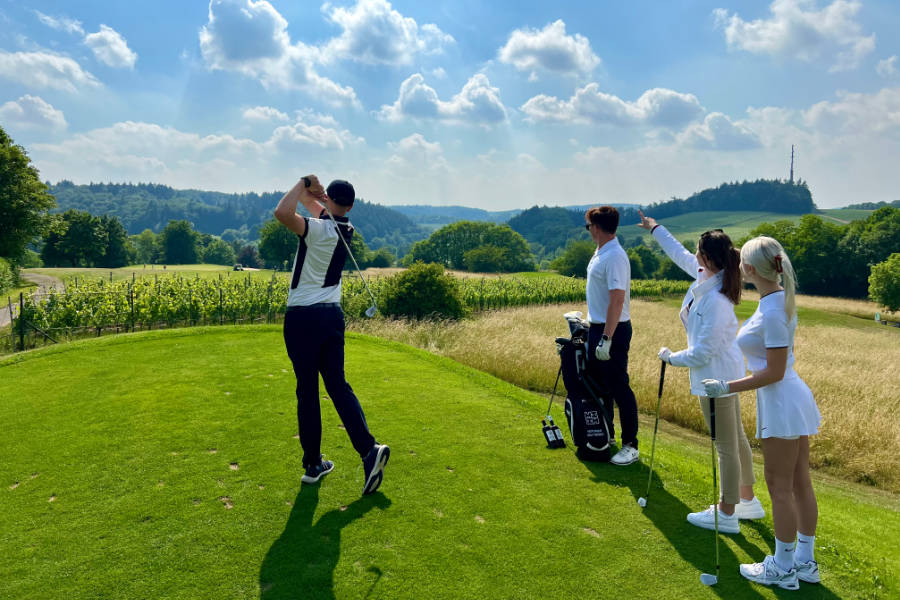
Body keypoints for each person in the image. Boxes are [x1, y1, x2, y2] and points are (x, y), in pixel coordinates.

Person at [703, 236, 822, 590]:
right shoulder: (773, 299)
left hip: (782, 399)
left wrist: (727, 386)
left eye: (743, 261)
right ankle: (804, 561)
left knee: (780, 486)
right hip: (788, 397)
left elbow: (774, 371)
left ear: (751, 269)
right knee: (798, 482)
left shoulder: (772, 311)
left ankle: (784, 566)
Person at [638, 211, 764, 535]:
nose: (693, 254)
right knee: (735, 437)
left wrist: (669, 357)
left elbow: (701, 353)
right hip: (723, 372)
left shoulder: (717, 301)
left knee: (725, 444)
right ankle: (747, 500)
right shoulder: (706, 276)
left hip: (717, 378)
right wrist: (656, 230)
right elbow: (678, 253)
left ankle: (727, 511)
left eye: (697, 250)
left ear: (707, 257)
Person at [274, 174, 390, 496]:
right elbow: (313, 208)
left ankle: (313, 463)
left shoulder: (319, 228)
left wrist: (302, 183)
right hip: (331, 317)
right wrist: (315, 194)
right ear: (350, 205)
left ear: (329, 203)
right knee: (337, 385)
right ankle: (369, 451)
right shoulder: (344, 229)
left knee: (308, 391)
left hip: (302, 319)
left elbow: (283, 213)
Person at [584, 206, 640, 465]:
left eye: (589, 227)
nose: (589, 231)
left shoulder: (615, 256)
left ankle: (631, 444)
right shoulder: (601, 252)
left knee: (619, 387)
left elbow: (617, 299)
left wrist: (607, 337)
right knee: (601, 385)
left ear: (596, 227)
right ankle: (608, 434)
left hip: (612, 330)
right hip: (598, 327)